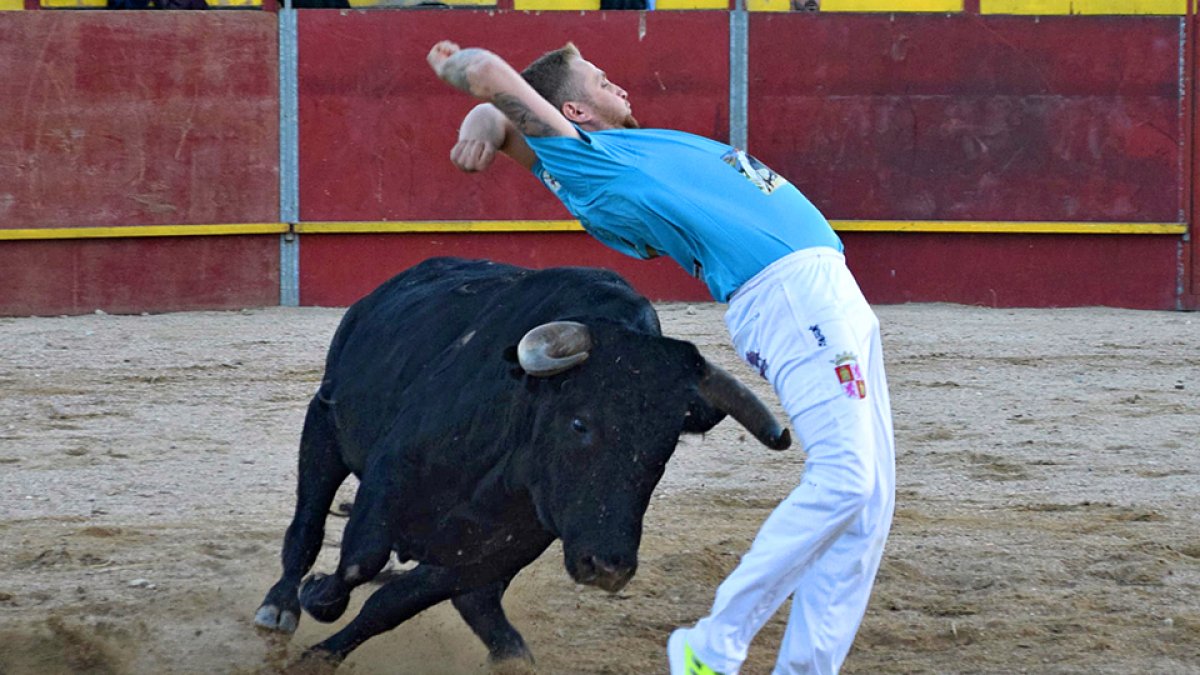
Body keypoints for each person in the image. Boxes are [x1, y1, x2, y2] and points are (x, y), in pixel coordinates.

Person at [427, 39, 895, 675]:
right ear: (572, 110)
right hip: (790, 294)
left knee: (866, 505)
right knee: (847, 478)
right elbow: (488, 76)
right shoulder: (590, 162)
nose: (615, 83)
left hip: (822, 290)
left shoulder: (604, 155)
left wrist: (481, 123)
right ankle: (714, 643)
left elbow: (503, 120)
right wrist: (459, 65)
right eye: (598, 79)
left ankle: (807, 667)